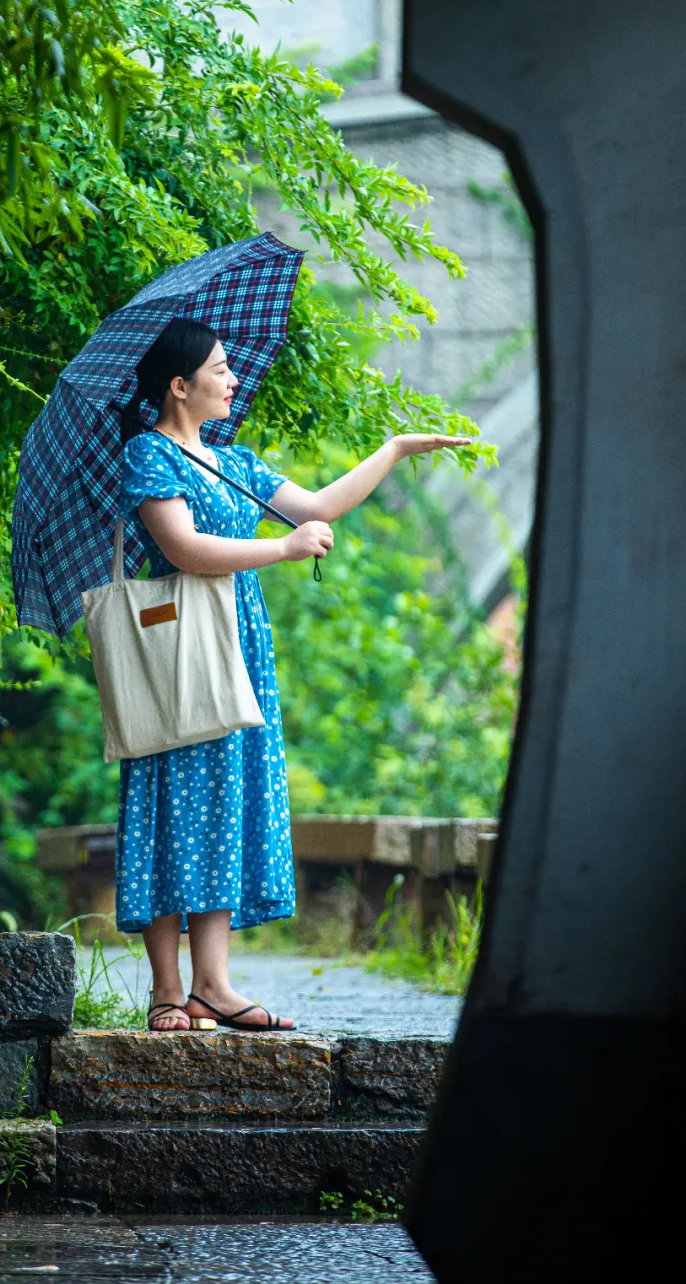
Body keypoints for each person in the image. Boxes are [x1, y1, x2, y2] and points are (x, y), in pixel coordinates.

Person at [116, 317, 470, 1031]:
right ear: (179, 386)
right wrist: (282, 550)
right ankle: (166, 988)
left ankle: (212, 984)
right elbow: (182, 548)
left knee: (223, 800)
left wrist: (395, 450)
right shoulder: (146, 455)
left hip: (238, 645)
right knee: (168, 801)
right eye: (220, 369)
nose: (233, 379)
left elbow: (320, 506)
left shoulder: (234, 462)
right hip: (178, 646)